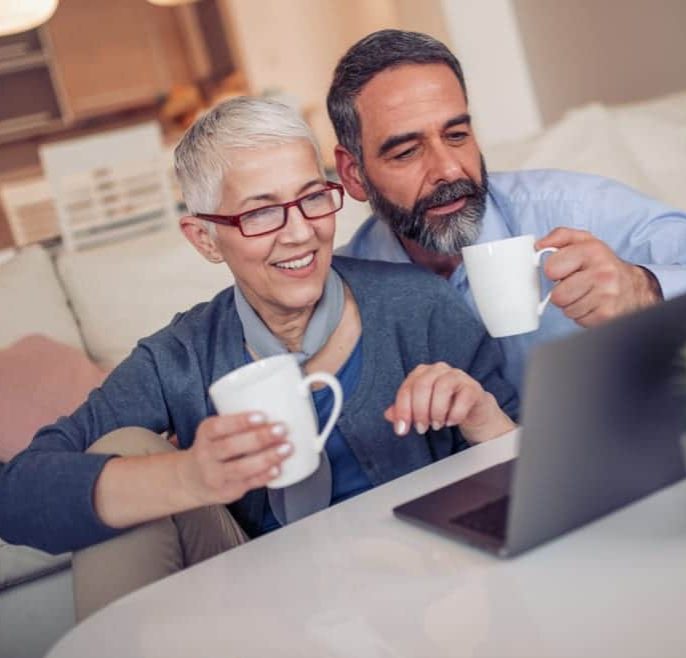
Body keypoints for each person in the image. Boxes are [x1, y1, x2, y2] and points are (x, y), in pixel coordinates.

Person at [0, 97, 518, 620]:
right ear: (205, 238)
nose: (299, 231)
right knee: (124, 449)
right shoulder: (179, 358)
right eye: (261, 212)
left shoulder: (418, 307)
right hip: (263, 611)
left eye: (313, 198)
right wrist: (189, 477)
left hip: (431, 596)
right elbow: (16, 493)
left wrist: (483, 418)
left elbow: (541, 483)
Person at [329, 29, 686, 389]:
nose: (449, 169)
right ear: (352, 175)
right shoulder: (346, 290)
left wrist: (645, 289)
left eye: (457, 135)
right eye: (406, 152)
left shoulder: (571, 208)